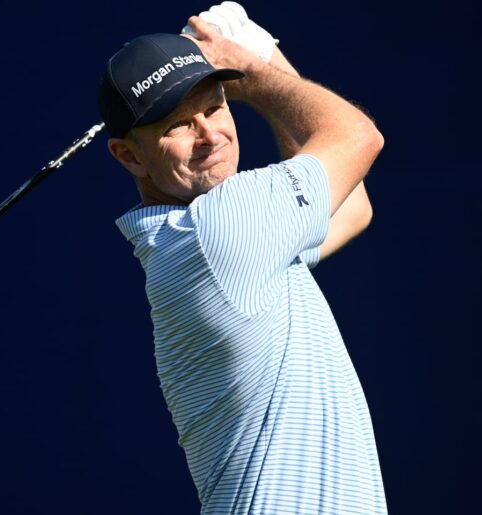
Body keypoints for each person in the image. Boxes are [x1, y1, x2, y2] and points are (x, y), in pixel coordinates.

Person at [97, 4, 387, 514]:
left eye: (215, 108)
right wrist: (254, 68)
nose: (210, 136)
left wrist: (262, 54)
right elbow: (359, 136)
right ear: (129, 156)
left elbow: (353, 208)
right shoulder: (221, 227)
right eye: (179, 126)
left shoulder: (220, 236)